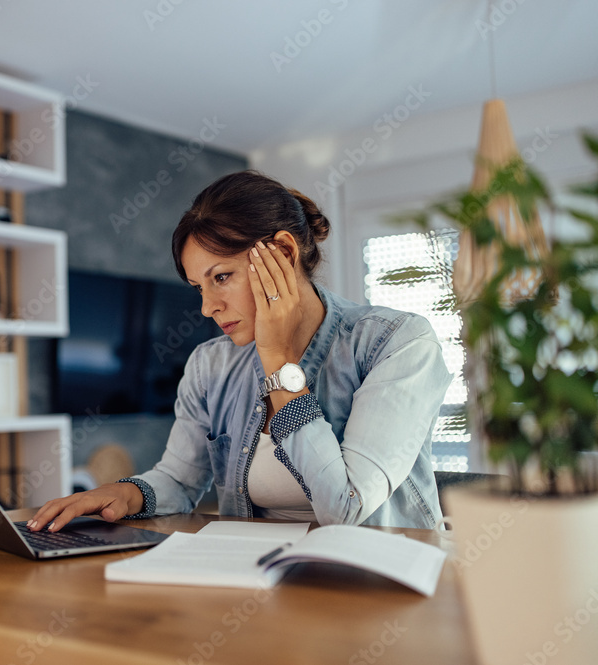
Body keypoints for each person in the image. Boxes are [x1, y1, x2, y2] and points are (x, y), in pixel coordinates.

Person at [29, 171, 452, 533]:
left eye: (222, 276)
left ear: (284, 253)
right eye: (199, 287)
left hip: (379, 587)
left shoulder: (397, 343)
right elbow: (180, 480)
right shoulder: (210, 365)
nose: (206, 306)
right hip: (259, 583)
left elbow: (345, 509)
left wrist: (279, 361)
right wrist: (123, 492)